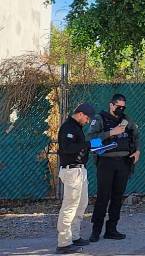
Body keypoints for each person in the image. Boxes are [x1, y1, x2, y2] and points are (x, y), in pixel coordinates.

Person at [87, 94, 140, 242]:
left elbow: (135, 136)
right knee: (103, 197)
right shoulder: (100, 119)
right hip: (106, 162)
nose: (121, 109)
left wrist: (137, 151)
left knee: (117, 197)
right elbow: (91, 140)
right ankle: (95, 231)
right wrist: (111, 133)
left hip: (124, 162)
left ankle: (111, 229)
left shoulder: (126, 120)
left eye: (123, 107)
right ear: (111, 105)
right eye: (118, 107)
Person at [56, 103, 96, 254]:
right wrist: (87, 144)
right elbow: (67, 148)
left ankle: (74, 236)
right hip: (71, 171)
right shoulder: (68, 128)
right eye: (86, 118)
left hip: (79, 170)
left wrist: (92, 146)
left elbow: (79, 147)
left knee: (81, 205)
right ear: (80, 114)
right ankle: (64, 243)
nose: (87, 121)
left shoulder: (76, 127)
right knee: (70, 207)